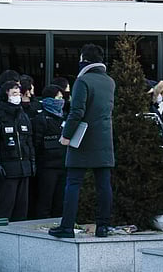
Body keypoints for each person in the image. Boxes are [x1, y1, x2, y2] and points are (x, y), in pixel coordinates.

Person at [49, 44, 115, 238]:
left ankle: (67, 227)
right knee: (104, 184)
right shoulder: (110, 82)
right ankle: (103, 226)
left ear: (84, 60)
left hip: (82, 139)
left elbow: (77, 112)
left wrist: (66, 136)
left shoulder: (82, 81)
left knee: (73, 183)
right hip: (104, 139)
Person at [0, 81, 35, 221]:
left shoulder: (23, 115)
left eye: (18, 93)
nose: (17, 96)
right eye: (14, 93)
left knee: (22, 208)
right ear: (6, 94)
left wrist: (32, 161)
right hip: (7, 168)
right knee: (5, 206)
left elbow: (29, 140)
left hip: (24, 167)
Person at [32, 85, 66, 219]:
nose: (61, 100)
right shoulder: (41, 119)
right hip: (47, 167)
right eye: (58, 97)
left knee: (60, 201)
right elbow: (37, 143)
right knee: (45, 200)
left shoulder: (64, 117)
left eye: (62, 97)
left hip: (62, 165)